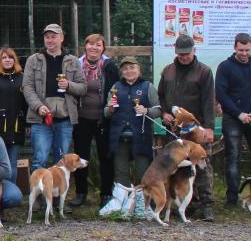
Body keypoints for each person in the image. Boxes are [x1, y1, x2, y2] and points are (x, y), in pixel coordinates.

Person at [158, 34, 217, 220]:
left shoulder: (204, 72)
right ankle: (184, 203)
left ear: (194, 50)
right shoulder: (167, 71)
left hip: (196, 130)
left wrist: (209, 128)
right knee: (176, 167)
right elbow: (161, 96)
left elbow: (209, 101)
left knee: (202, 166)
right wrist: (164, 113)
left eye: (187, 53)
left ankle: (207, 205)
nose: (183, 56)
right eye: (180, 53)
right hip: (175, 130)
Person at [21, 24, 86, 172]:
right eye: (47, 37)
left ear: (61, 38)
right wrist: (38, 106)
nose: (50, 40)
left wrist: (68, 85)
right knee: (40, 160)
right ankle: (38, 188)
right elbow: (27, 87)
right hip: (41, 119)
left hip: (65, 120)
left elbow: (83, 87)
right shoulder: (33, 60)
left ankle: (57, 188)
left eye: (53, 37)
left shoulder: (73, 61)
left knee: (61, 163)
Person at [216, 32, 251, 207]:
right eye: (241, 50)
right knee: (232, 157)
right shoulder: (225, 66)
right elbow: (221, 94)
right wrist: (238, 114)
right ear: (235, 48)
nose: (244, 53)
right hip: (233, 118)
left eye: (247, 50)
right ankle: (232, 199)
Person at [71, 34, 119, 207]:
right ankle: (81, 193)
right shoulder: (75, 64)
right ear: (85, 46)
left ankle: (106, 193)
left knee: (105, 157)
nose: (94, 48)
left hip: (103, 119)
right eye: (90, 44)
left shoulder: (109, 66)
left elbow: (115, 90)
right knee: (80, 156)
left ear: (103, 48)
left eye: (98, 45)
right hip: (81, 118)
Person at [104, 56, 161, 187]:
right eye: (125, 69)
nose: (129, 71)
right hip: (119, 136)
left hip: (141, 137)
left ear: (138, 69)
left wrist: (146, 110)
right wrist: (111, 109)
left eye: (132, 67)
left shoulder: (148, 86)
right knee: (121, 172)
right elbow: (106, 113)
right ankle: (123, 198)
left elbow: (158, 110)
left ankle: (142, 198)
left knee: (143, 172)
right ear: (121, 72)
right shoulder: (115, 87)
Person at [0, 47, 27, 184]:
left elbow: (26, 104)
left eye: (10, 57)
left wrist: (28, 124)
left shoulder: (22, 78)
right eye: (4, 58)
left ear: (15, 60)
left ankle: (11, 191)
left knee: (12, 163)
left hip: (17, 127)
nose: (8, 60)